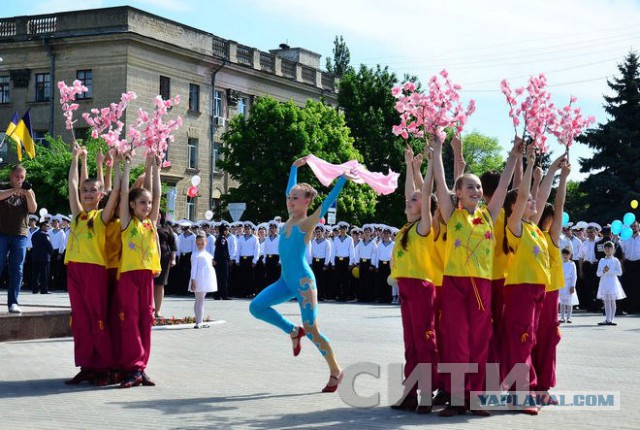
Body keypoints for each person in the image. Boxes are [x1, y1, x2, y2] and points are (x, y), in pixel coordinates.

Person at [249, 155, 356, 393]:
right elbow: (290, 189)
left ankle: (336, 370)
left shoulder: (305, 224)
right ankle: (292, 331)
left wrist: (341, 181)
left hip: (304, 284)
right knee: (256, 307)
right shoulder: (288, 219)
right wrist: (292, 168)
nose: (290, 201)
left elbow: (326, 205)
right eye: (289, 197)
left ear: (307, 201)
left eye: (296, 198)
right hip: (285, 281)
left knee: (313, 329)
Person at [433, 135, 519, 416]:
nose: (477, 189)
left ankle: (476, 398)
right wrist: (437, 150)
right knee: (457, 340)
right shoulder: (451, 215)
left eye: (479, 186)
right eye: (470, 186)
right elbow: (439, 180)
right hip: (455, 285)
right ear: (458, 192)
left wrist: (514, 156)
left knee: (479, 342)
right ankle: (457, 399)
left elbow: (504, 186)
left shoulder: (489, 214)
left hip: (481, 287)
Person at [65, 145, 119, 386]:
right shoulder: (76, 214)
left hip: (94, 270)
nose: (86, 194)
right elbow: (72, 184)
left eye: (92, 191)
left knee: (97, 318)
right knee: (80, 320)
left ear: (100, 196)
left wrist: (117, 163)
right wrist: (76, 158)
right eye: (84, 190)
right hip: (74, 270)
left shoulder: (102, 216)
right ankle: (87, 366)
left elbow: (116, 190)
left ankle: (105, 367)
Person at [389, 145, 437, 414]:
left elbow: (424, 193)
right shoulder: (407, 227)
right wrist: (409, 166)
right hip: (406, 288)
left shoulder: (423, 226)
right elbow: (413, 193)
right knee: (411, 343)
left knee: (425, 341)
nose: (409, 201)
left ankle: (427, 393)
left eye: (415, 201)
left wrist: (430, 165)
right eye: (408, 200)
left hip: (421, 286)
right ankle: (410, 393)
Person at [115, 153, 161, 388]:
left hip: (146, 277)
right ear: (133, 205)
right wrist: (127, 164)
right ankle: (132, 367)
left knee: (146, 319)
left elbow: (157, 193)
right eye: (142, 202)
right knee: (130, 320)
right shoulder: (127, 222)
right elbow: (123, 194)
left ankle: (141, 367)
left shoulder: (150, 223)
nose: (148, 206)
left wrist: (153, 167)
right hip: (129, 276)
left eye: (149, 203)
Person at [0, 164, 38, 313]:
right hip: (2, 233)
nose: (20, 180)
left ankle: (13, 302)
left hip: (20, 235)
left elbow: (33, 209)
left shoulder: (28, 191)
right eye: (17, 176)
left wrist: (27, 194)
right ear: (11, 175)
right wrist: (14, 190)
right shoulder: (3, 186)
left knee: (17, 269)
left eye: (22, 177)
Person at [190, 233, 217, 328]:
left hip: (205, 279)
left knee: (200, 300)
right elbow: (193, 268)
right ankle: (198, 322)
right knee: (199, 300)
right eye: (198, 243)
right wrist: (193, 280)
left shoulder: (207, 254)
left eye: (202, 243)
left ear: (206, 242)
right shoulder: (195, 254)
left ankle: (199, 320)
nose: (200, 245)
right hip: (198, 279)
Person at [596, 242, 625, 326]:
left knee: (612, 301)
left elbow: (619, 272)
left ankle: (611, 319)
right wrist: (603, 271)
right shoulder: (602, 260)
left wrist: (609, 271)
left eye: (609, 248)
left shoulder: (615, 260)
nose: (607, 249)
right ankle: (607, 319)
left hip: (612, 282)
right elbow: (598, 273)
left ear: (613, 249)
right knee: (606, 301)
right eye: (606, 248)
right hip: (604, 282)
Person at [155, 211, 177, 318]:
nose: (157, 215)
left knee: (160, 284)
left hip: (164, 258)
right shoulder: (146, 225)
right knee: (148, 285)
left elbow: (173, 244)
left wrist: (173, 259)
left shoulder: (166, 228)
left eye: (159, 214)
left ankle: (157, 310)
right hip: (149, 258)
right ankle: (149, 308)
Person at [30, 218, 53, 294]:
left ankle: (35, 289)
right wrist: (52, 253)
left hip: (35, 257)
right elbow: (49, 246)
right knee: (44, 274)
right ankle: (44, 289)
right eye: (47, 226)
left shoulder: (34, 234)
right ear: (42, 226)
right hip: (44, 258)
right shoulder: (45, 235)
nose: (48, 227)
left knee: (35, 274)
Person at [559, 248, 578, 323]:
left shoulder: (572, 264)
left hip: (569, 283)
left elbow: (574, 276)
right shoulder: (560, 263)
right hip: (562, 283)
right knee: (562, 301)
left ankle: (569, 317)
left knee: (569, 301)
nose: (565, 256)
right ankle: (562, 317)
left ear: (570, 255)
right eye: (563, 254)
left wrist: (573, 285)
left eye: (567, 254)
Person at [214, 223, 231, 300]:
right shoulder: (222, 239)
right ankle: (224, 295)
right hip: (222, 261)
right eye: (226, 230)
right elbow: (222, 251)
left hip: (219, 260)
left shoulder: (220, 238)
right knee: (223, 278)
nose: (227, 231)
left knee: (219, 277)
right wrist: (228, 258)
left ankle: (218, 294)